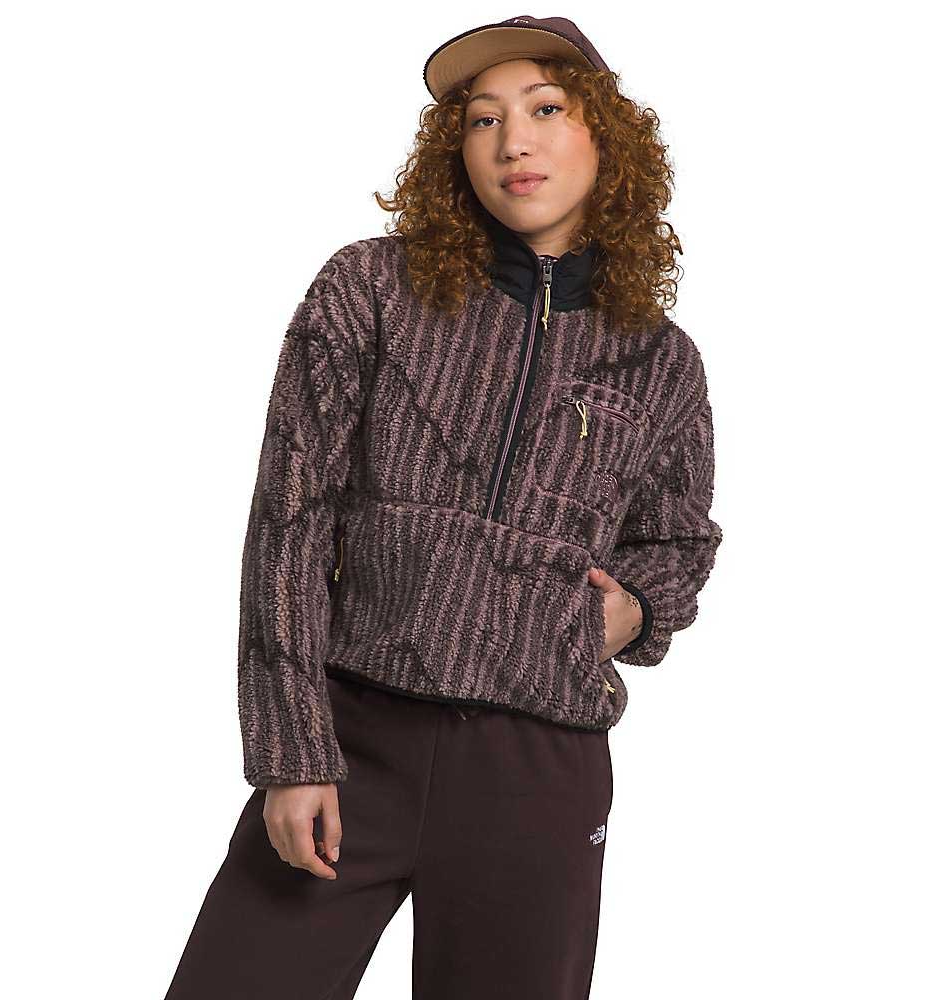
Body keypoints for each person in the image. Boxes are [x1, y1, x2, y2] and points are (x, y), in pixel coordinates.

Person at [164, 15, 723, 1000]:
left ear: (607, 137)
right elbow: (290, 520)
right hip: (352, 737)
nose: (512, 142)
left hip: (537, 767)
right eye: (482, 119)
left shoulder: (660, 359)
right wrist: (292, 752)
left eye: (546, 109)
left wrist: (634, 611)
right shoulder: (370, 290)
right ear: (454, 152)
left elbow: (676, 539)